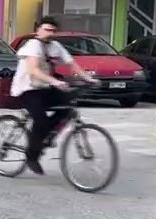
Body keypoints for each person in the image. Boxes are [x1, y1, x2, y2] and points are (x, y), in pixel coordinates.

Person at [9, 15, 97, 175]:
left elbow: (71, 64)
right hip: (27, 89)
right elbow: (33, 70)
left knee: (67, 108)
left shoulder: (56, 46)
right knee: (41, 121)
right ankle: (31, 156)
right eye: (46, 30)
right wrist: (55, 82)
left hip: (44, 88)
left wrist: (88, 78)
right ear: (38, 30)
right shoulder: (32, 46)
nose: (50, 33)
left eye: (53, 31)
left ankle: (44, 136)